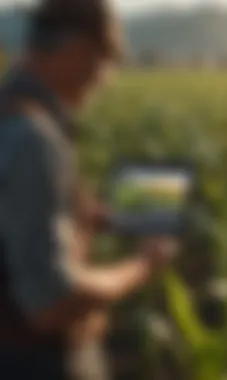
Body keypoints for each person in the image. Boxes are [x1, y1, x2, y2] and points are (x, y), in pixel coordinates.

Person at [0, 0, 178, 379]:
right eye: (107, 59)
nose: (105, 78)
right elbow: (51, 304)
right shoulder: (33, 138)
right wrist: (143, 266)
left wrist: (81, 216)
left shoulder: (13, 114)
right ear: (78, 49)